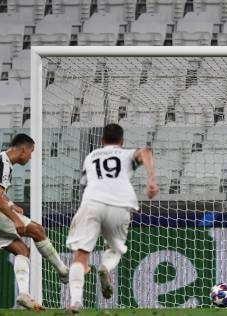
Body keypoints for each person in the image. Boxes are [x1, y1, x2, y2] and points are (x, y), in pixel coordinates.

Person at [0, 133, 69, 310]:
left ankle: (23, 294)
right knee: (38, 230)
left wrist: (11, 204)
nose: (30, 157)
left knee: (22, 250)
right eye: (31, 152)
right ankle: (63, 272)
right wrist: (15, 219)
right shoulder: (3, 163)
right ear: (23, 150)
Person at [65, 123, 159, 313]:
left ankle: (75, 302)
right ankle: (105, 268)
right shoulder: (125, 154)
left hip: (92, 202)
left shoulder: (91, 156)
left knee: (80, 256)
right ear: (122, 141)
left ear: (102, 141)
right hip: (120, 204)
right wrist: (151, 179)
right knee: (114, 248)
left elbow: (83, 185)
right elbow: (146, 152)